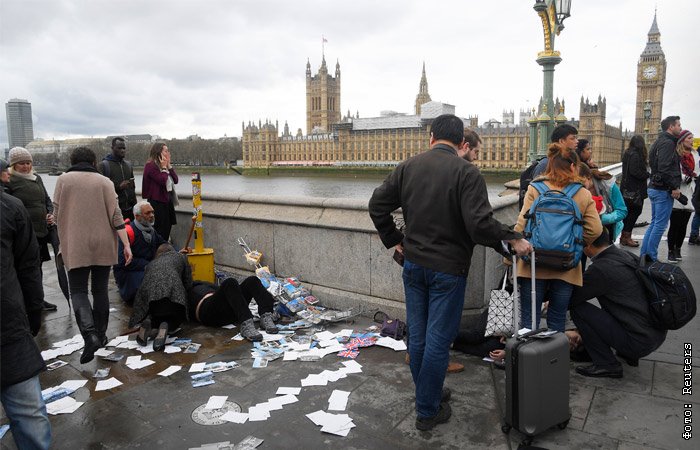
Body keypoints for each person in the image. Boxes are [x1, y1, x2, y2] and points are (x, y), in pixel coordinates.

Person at [368, 114, 532, 431]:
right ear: (460, 142)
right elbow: (479, 225)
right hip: (447, 270)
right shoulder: (466, 173)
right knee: (438, 342)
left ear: (431, 137)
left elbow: (377, 206)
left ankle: (429, 392)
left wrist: (395, 241)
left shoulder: (408, 166)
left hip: (414, 266)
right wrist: (513, 238)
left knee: (418, 337)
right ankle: (427, 411)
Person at [53, 146, 133, 364]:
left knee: (78, 290)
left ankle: (90, 336)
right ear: (94, 162)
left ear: (73, 160)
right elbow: (117, 217)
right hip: (103, 242)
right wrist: (126, 245)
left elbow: (56, 214)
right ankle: (102, 334)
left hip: (75, 242)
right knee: (100, 290)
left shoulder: (63, 180)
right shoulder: (105, 182)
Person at [515, 144, 603, 332]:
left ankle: (527, 359)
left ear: (550, 165)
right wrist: (575, 243)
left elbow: (521, 225)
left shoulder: (534, 188)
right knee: (557, 319)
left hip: (533, 263)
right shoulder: (582, 193)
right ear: (573, 167)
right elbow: (595, 229)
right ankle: (553, 359)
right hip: (567, 266)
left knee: (529, 321)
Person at [570, 228, 667, 378]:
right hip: (655, 335)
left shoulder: (600, 268)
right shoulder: (626, 255)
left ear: (587, 246)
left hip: (638, 340)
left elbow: (572, 299)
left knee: (579, 310)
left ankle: (606, 364)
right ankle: (628, 355)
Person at [1, 190, 52, 449]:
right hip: (10, 326)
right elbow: (29, 266)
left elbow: (28, 266)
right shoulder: (11, 207)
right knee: (30, 415)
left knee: (29, 414)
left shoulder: (10, 207)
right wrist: (33, 315)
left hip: (8, 330)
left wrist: (32, 313)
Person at [6, 146, 58, 312]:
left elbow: (46, 200)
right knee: (25, 269)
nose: (26, 166)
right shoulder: (10, 181)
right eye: (21, 163)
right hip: (24, 234)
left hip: (42, 231)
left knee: (38, 267)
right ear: (13, 165)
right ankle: (25, 302)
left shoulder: (37, 178)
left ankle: (38, 299)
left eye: (28, 162)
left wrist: (50, 213)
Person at [129, 244, 192, 351]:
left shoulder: (150, 265)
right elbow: (188, 282)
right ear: (172, 250)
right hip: (173, 295)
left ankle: (150, 321)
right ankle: (166, 325)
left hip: (152, 301)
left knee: (156, 312)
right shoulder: (181, 257)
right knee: (176, 316)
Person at [640, 115, 683, 261]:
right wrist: (674, 187)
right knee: (659, 226)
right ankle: (651, 257)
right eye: (678, 125)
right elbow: (665, 168)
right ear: (671, 127)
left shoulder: (658, 141)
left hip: (654, 186)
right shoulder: (668, 143)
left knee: (654, 224)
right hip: (662, 189)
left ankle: (644, 255)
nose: (680, 127)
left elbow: (654, 165)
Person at [187, 277, 279, 342]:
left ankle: (266, 315)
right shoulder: (184, 291)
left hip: (230, 309)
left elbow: (226, 291)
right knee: (230, 282)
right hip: (208, 313)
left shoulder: (203, 283)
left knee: (252, 280)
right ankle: (246, 324)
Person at [113, 200, 166, 305]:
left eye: (152, 212)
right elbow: (122, 261)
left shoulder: (151, 230)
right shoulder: (128, 233)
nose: (151, 215)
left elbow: (163, 244)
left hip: (147, 269)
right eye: (147, 213)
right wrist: (149, 265)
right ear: (137, 217)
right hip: (130, 273)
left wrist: (178, 252)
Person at [579, 164, 627, 244]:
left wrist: (600, 219)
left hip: (606, 230)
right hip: (583, 231)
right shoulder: (573, 188)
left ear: (588, 177)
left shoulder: (608, 185)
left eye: (581, 183)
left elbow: (622, 211)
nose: (578, 187)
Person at [666, 129, 695, 262]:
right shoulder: (676, 154)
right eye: (689, 138)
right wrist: (684, 177)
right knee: (675, 224)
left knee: (683, 225)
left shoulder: (695, 155)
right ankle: (671, 251)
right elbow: (672, 171)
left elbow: (697, 171)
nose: (692, 140)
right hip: (678, 192)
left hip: (689, 192)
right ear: (683, 140)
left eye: (692, 138)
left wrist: (694, 177)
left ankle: (678, 248)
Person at [142, 142, 178, 242]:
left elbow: (175, 180)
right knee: (160, 230)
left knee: (168, 227)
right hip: (157, 203)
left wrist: (169, 166)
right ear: (159, 152)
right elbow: (162, 181)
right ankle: (159, 252)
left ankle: (164, 248)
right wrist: (163, 168)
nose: (168, 153)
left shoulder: (164, 166)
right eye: (166, 151)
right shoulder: (150, 166)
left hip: (167, 201)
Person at [619, 135, 650, 247]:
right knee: (635, 212)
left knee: (629, 213)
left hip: (627, 188)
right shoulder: (636, 155)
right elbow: (635, 171)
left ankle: (624, 237)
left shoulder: (628, 153)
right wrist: (647, 174)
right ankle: (626, 237)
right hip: (634, 190)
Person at [100, 137, 137, 221]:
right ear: (112, 148)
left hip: (130, 209)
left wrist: (135, 204)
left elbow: (132, 186)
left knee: (130, 233)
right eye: (119, 148)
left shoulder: (128, 165)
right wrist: (119, 187)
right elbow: (101, 189)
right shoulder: (104, 165)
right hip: (114, 209)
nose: (122, 150)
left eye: (124, 148)